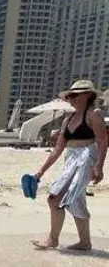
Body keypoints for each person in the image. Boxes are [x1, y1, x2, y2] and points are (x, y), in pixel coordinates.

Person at [32, 80, 106, 251]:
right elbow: (57, 148)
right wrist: (40, 172)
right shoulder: (68, 119)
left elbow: (102, 141)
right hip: (71, 157)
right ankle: (71, 241)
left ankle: (73, 241)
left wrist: (99, 166)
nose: (70, 98)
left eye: (74, 95)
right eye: (69, 96)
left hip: (88, 155)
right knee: (54, 199)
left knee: (73, 198)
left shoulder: (94, 114)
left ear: (87, 95)